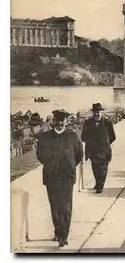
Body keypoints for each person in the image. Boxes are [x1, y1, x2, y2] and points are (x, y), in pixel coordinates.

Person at [36, 109, 83, 247]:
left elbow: (79, 154)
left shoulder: (73, 136)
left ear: (66, 121)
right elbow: (40, 155)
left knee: (66, 207)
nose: (59, 123)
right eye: (57, 121)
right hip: (51, 177)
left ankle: (63, 236)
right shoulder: (45, 137)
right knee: (55, 206)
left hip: (67, 177)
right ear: (53, 122)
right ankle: (58, 231)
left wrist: (69, 166)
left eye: (62, 121)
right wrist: (50, 164)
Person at [81, 103, 116, 194]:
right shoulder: (88, 122)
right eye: (95, 112)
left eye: (98, 112)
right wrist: (91, 142)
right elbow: (83, 136)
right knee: (95, 168)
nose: (97, 114)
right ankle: (98, 182)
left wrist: (106, 143)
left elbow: (113, 136)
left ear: (101, 112)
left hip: (104, 151)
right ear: (92, 113)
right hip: (93, 151)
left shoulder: (107, 122)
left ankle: (100, 186)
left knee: (103, 169)